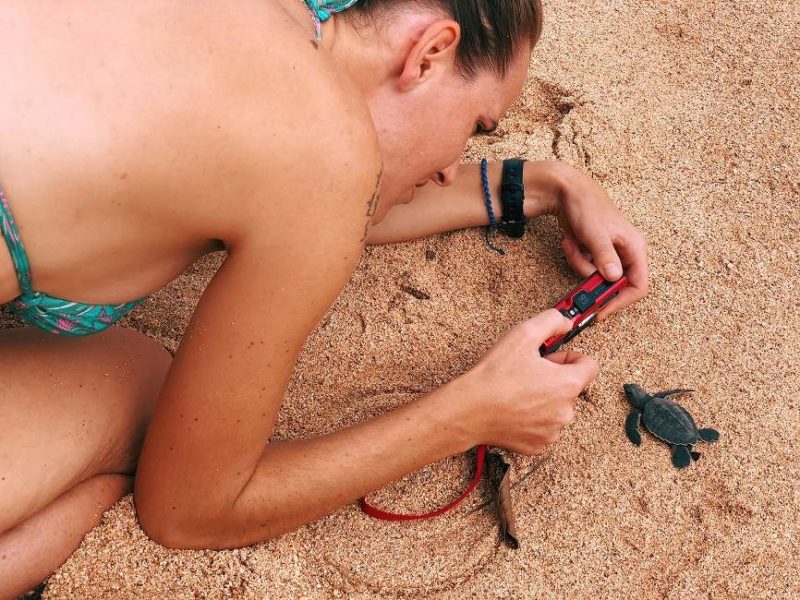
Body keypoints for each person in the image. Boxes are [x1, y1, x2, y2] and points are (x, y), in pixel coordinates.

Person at [0, 0, 647, 595]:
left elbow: (315, 187)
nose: (453, 166)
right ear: (429, 52)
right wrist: (471, 413)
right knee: (136, 390)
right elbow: (188, 512)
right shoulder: (322, 158)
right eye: (477, 126)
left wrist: (541, 185)